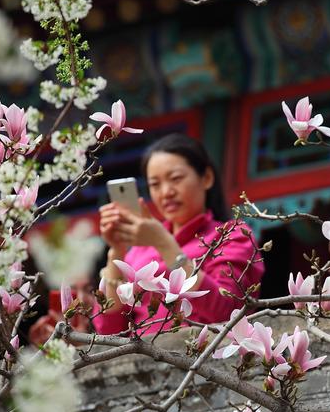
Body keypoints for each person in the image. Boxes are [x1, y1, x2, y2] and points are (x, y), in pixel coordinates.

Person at [94, 134, 264, 334]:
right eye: (155, 184)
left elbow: (228, 312)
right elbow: (108, 330)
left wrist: (165, 244)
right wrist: (116, 252)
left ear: (207, 178)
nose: (166, 192)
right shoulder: (139, 250)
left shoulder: (232, 235)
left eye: (175, 179)